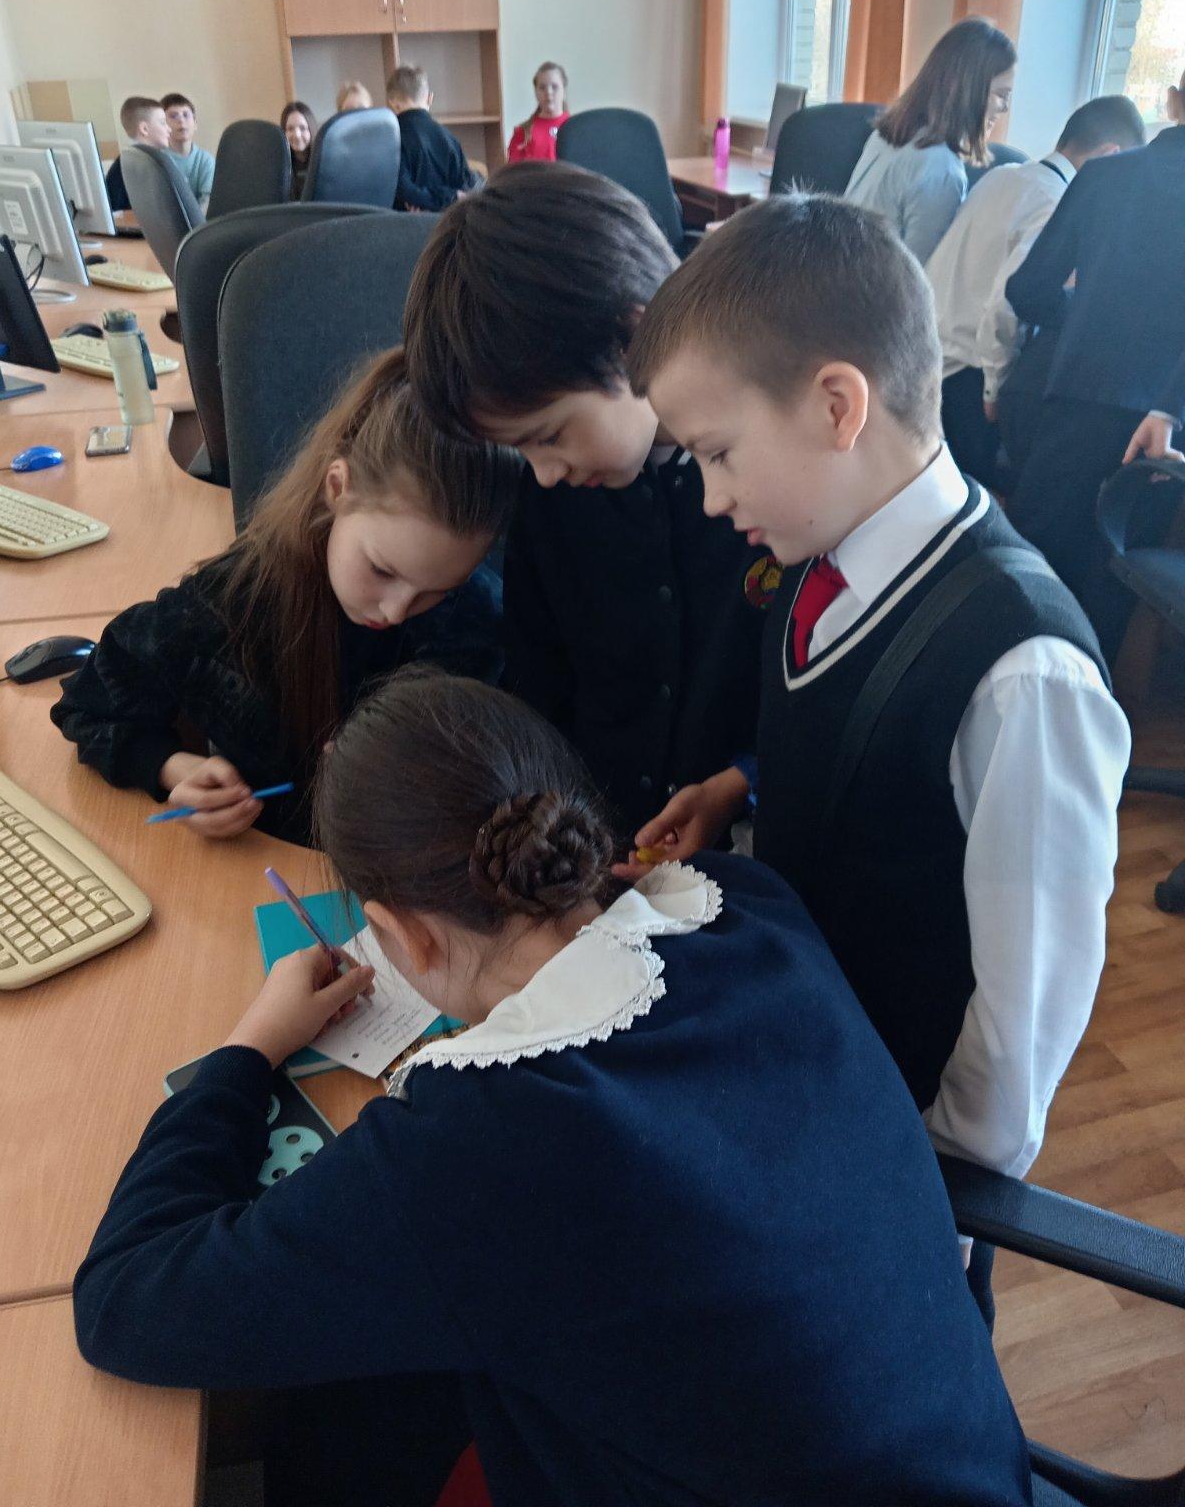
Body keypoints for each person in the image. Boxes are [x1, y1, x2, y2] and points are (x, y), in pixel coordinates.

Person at [74, 668, 1033, 1507]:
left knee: (345, 1407)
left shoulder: (477, 1145)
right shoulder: (744, 905)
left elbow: (126, 1301)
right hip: (961, 1460)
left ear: (402, 936)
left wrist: (249, 1047)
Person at [625, 195, 1129, 1327]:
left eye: (718, 454)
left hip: (899, 1173)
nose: (711, 496)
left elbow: (1021, 1025)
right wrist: (741, 785)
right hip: (814, 1074)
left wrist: (927, 1205)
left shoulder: (1022, 671)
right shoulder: (822, 551)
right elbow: (867, 756)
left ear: (836, 405)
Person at [403, 163, 768, 840]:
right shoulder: (554, 498)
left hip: (752, 848)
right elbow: (538, 682)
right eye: (521, 451)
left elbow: (817, 700)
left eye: (548, 437)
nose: (544, 474)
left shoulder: (776, 485)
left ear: (632, 340)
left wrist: (741, 783)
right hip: (591, 846)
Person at [51, 350, 519, 846]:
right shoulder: (232, 606)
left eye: (439, 590)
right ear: (337, 488)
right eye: (382, 571)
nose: (396, 609)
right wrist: (174, 768)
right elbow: (90, 706)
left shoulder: (478, 620)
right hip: (269, 867)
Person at [1004, 97, 1185, 659]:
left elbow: (1028, 289)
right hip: (1165, 435)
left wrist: (1086, 319)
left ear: (1173, 99)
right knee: (1112, 593)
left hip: (1074, 402)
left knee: (1030, 582)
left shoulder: (1104, 176)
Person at [927, 94, 1146, 488]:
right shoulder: (1055, 203)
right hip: (969, 376)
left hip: (929, 353)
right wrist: (995, 390)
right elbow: (1006, 302)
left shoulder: (1004, 174)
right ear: (1109, 155)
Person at [844, 17, 1017, 264]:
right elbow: (922, 274)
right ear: (968, 91)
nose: (1005, 108)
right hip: (879, 285)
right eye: (1001, 94)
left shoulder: (888, 135)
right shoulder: (941, 171)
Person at [385, 65, 479, 212]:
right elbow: (465, 188)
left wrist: (420, 200)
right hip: (448, 222)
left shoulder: (390, 139)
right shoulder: (449, 138)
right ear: (430, 98)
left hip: (402, 222)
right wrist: (450, 197)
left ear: (391, 102)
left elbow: (402, 189)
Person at [104, 95, 171, 215]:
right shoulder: (146, 165)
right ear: (144, 129)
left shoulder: (129, 160)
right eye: (163, 123)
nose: (169, 129)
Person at [160, 91, 216, 209]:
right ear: (163, 126)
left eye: (185, 115)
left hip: (200, 219)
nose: (181, 120)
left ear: (195, 124)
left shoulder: (206, 160)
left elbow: (208, 201)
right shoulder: (158, 160)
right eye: (173, 116)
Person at [506, 60, 569, 162]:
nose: (548, 92)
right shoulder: (523, 132)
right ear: (536, 92)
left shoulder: (576, 129)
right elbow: (514, 170)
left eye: (554, 87)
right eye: (542, 87)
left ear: (564, 91)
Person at [281, 99, 318, 200]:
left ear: (311, 129)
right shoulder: (279, 165)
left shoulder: (323, 162)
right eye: (290, 129)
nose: (297, 135)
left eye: (302, 128)